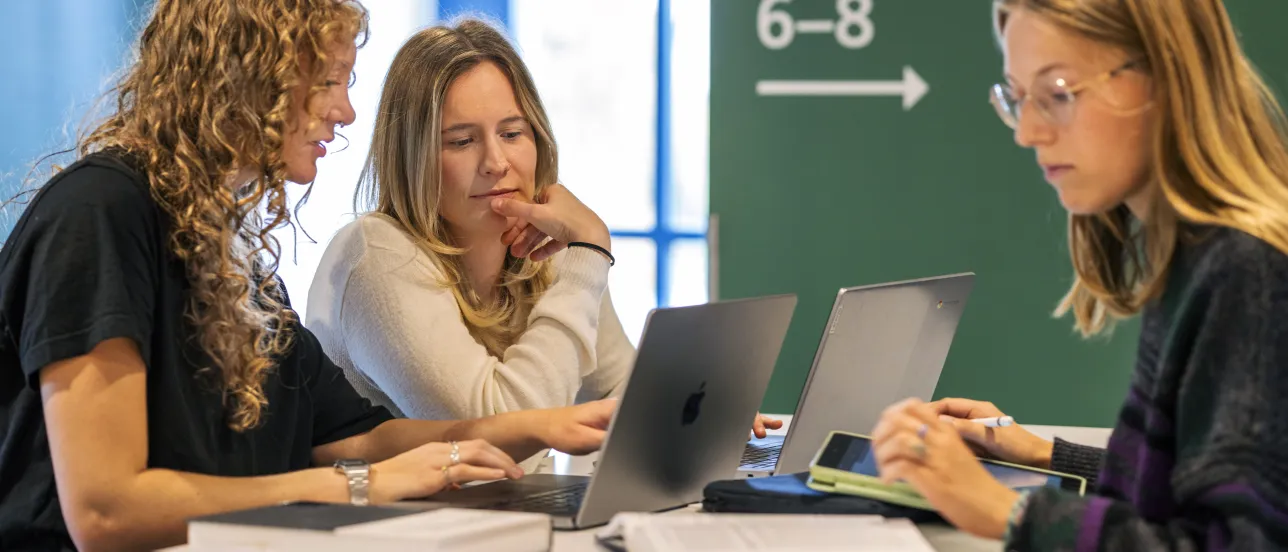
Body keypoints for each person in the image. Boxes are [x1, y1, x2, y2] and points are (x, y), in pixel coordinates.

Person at [0, 3, 614, 550]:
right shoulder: (100, 213)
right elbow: (107, 513)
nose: (346, 112)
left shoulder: (228, 249)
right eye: (326, 84)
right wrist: (356, 489)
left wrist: (530, 426)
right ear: (244, 81)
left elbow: (356, 438)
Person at [870, 0, 1288, 548]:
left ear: (1164, 77)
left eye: (1059, 92)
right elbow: (1187, 493)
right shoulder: (1200, 257)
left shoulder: (1247, 272)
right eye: (1018, 99)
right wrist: (1045, 454)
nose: (1028, 133)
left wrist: (1009, 511)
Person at [306, 19, 778, 471]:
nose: (495, 161)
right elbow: (507, 435)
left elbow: (617, 390)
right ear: (412, 157)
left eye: (512, 134)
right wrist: (588, 254)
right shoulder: (377, 253)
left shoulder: (543, 250)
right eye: (462, 141)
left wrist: (696, 418)